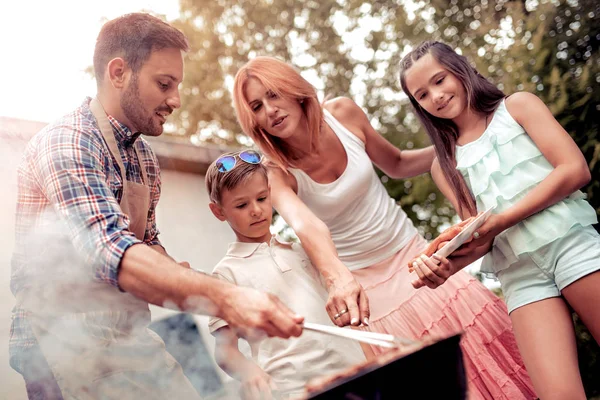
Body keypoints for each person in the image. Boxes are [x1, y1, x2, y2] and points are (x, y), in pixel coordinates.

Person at [10, 14, 303, 400]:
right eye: (164, 84)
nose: (175, 100)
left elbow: (145, 243)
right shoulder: (68, 142)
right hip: (59, 337)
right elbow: (111, 251)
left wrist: (204, 281)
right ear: (118, 72)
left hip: (127, 330)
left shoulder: (144, 158)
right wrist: (227, 297)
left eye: (176, 85)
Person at [231, 56, 537, 399]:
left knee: (496, 360)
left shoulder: (343, 114)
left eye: (274, 95)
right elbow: (307, 224)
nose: (269, 110)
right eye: (257, 106)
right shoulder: (275, 171)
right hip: (367, 292)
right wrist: (338, 278)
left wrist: (459, 141)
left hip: (419, 260)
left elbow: (396, 163)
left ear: (295, 91)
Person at [399, 40, 600, 399]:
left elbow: (574, 169)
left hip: (572, 246)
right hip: (521, 276)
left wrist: (504, 218)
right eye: (422, 94)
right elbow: (483, 236)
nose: (436, 96)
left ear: (460, 69)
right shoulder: (444, 166)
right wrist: (445, 266)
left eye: (439, 80)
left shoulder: (518, 106)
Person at [205, 150, 366, 399]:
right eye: (242, 205)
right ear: (219, 212)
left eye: (262, 198)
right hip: (293, 389)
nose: (256, 210)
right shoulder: (225, 274)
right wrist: (249, 372)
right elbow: (225, 350)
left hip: (352, 370)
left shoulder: (303, 249)